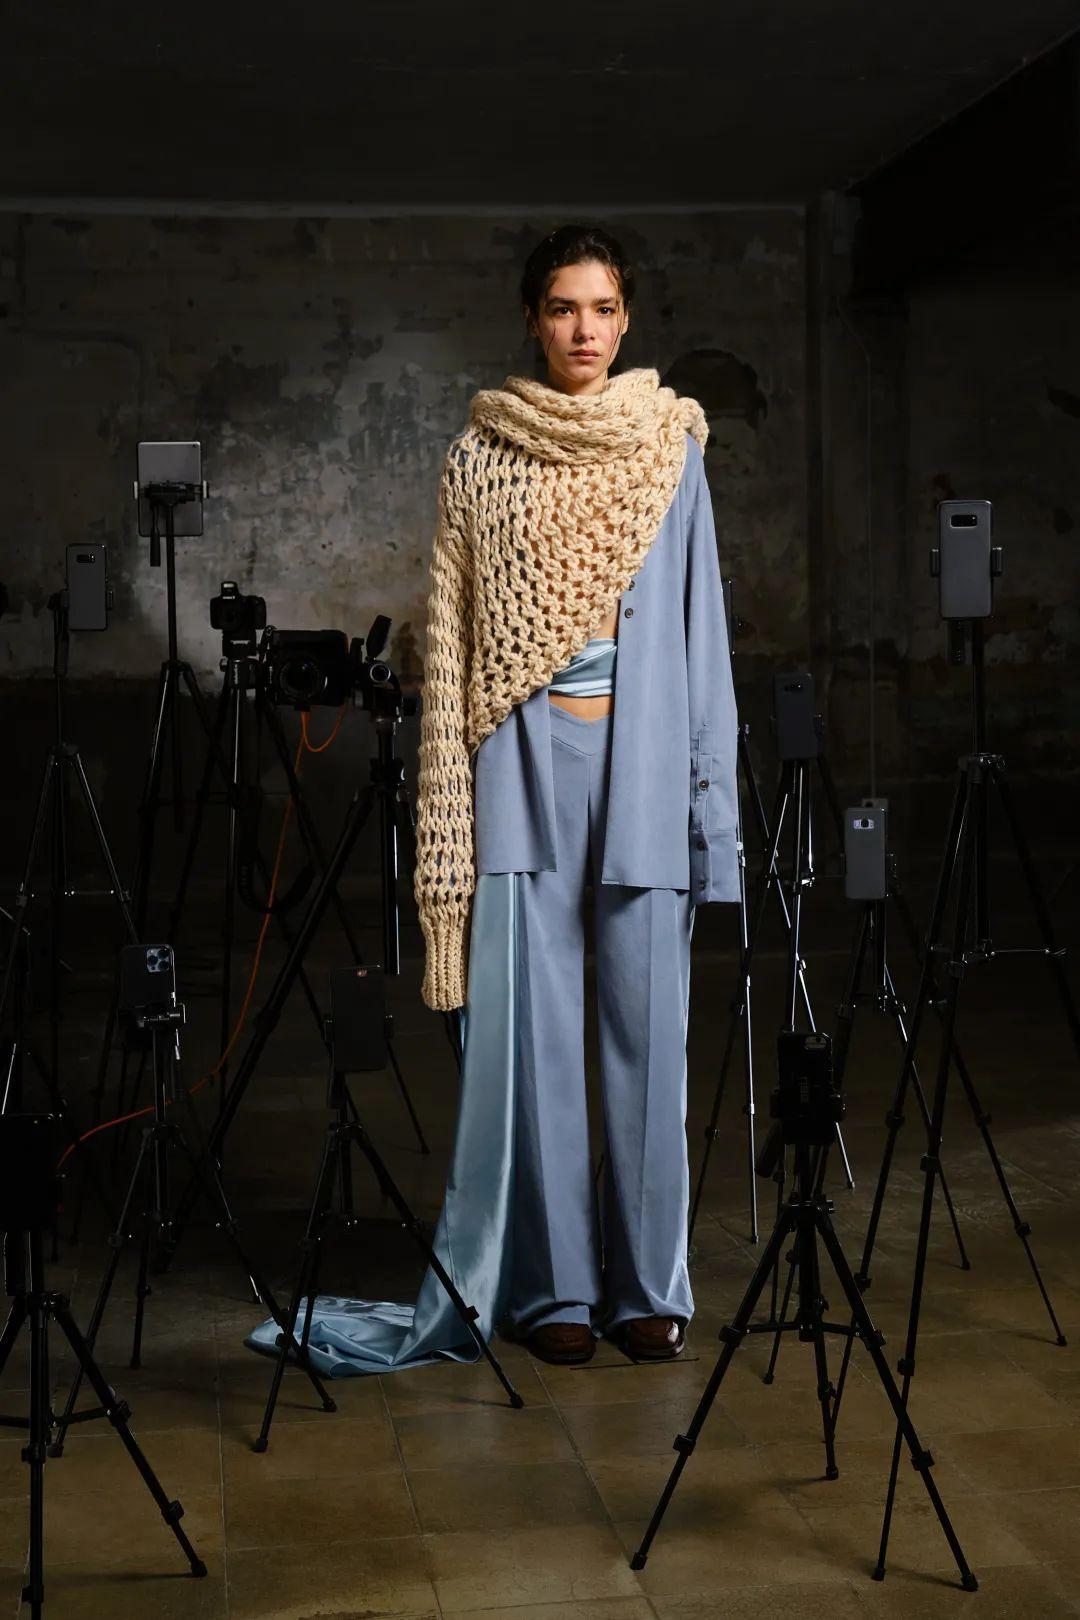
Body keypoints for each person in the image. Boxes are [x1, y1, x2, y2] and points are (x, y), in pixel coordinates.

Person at [245, 224, 740, 1379]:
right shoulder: (481, 460)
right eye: (564, 307)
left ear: (627, 319)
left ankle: (648, 1288)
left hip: (644, 768)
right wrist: (451, 806)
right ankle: (555, 1286)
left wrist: (712, 817)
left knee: (647, 1040)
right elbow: (455, 645)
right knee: (537, 1048)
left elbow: (703, 641)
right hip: (521, 771)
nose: (584, 328)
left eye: (604, 307)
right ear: (533, 318)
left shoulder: (672, 449)